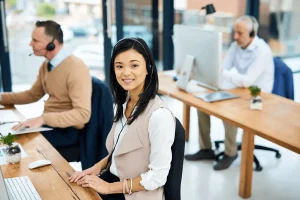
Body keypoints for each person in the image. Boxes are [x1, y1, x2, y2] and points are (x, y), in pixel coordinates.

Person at [69, 37, 175, 200]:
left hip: (135, 194)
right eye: (119, 66)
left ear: (148, 68)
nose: (126, 72)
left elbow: (158, 177)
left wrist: (109, 188)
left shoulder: (159, 116)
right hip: (114, 182)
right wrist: (97, 168)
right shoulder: (125, 103)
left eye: (134, 65)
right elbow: (120, 150)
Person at [185, 15, 274, 170]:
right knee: (202, 103)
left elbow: (247, 81)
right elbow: (223, 68)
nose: (235, 37)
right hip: (240, 90)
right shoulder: (235, 46)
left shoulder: (262, 51)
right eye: (235, 32)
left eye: (240, 34)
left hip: (259, 96)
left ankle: (230, 153)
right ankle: (206, 149)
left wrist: (223, 73)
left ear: (252, 34)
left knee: (229, 111)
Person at [0, 20, 92, 156]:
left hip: (67, 131)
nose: (30, 44)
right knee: (7, 137)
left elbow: (82, 115)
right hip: (50, 126)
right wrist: (1, 97)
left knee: (13, 143)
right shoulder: (47, 65)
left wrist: (43, 119)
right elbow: (32, 95)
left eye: (35, 40)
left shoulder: (76, 68)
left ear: (51, 45)